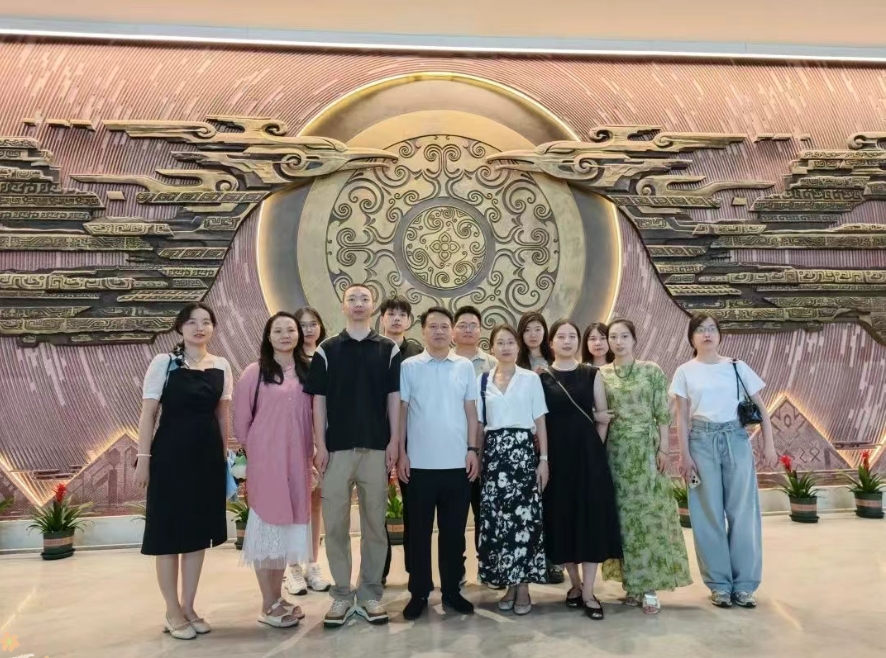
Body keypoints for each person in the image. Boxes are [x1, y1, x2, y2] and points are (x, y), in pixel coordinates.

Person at [135, 302, 231, 640]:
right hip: (169, 458)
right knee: (168, 536)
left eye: (206, 322)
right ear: (180, 328)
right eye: (192, 322)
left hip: (206, 460)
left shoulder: (221, 365)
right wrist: (143, 459)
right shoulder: (164, 363)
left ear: (213, 328)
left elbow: (222, 416)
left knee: (196, 535)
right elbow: (148, 414)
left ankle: (189, 607)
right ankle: (172, 610)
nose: (199, 328)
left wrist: (224, 459)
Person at [307, 283, 401, 628]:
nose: (358, 303)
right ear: (343, 306)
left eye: (364, 299)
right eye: (352, 299)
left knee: (375, 524)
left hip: (376, 449)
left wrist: (394, 441)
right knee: (335, 525)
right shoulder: (327, 350)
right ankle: (342, 595)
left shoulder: (388, 349)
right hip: (337, 450)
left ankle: (370, 592)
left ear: (372, 307)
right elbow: (318, 401)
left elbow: (394, 398)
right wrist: (320, 444)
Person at [671, 313, 778, 609]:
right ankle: (719, 585)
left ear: (719, 335)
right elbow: (681, 417)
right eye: (700, 329)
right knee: (707, 515)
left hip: (736, 439)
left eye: (712, 329)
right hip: (701, 441)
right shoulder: (684, 372)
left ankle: (744, 585)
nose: (707, 334)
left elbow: (761, 409)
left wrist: (768, 445)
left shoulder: (737, 366)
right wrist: (684, 454)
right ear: (691, 337)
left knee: (743, 512)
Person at [599, 319, 691, 615]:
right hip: (615, 454)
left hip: (647, 452)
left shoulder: (651, 370)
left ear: (634, 339)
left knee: (649, 517)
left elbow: (662, 413)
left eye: (624, 336)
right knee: (625, 521)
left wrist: (664, 449)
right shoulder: (601, 374)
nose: (618, 342)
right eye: (613, 337)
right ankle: (633, 585)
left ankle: (649, 586)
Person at [397, 307, 479, 620]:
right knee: (418, 533)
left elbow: (471, 411)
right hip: (418, 465)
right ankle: (419, 592)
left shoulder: (464, 367)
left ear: (452, 331)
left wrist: (472, 449)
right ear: (423, 331)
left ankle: (451, 592)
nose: (440, 331)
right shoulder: (409, 367)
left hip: (457, 464)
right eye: (433, 326)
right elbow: (402, 411)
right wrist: (402, 452)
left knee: (453, 533)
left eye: (445, 326)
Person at [233, 312, 313, 628]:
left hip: (298, 459)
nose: (285, 335)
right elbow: (241, 422)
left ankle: (277, 597)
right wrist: (258, 451)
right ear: (268, 336)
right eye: (277, 330)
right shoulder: (254, 372)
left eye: (290, 329)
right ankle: (267, 604)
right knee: (268, 528)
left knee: (285, 531)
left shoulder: (307, 371)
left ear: (299, 335)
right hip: (267, 460)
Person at [539, 319, 622, 620]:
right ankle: (574, 584)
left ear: (578, 341)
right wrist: (544, 458)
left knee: (590, 521)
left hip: (588, 459)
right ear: (551, 343)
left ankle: (588, 592)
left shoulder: (591, 374)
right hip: (556, 459)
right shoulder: (541, 377)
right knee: (561, 519)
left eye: (572, 336)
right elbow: (539, 420)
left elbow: (602, 415)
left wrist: (594, 449)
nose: (567, 341)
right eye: (561, 336)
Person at [477, 324, 549, 615]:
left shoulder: (530, 379)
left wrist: (544, 459)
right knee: (500, 523)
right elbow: (480, 424)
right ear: (492, 348)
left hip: (522, 454)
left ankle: (523, 588)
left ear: (518, 347)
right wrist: (477, 457)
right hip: (494, 456)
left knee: (524, 522)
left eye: (510, 342)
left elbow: (540, 420)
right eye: (500, 342)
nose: (506, 347)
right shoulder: (483, 380)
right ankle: (508, 584)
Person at [378, 295, 424, 585]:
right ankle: (378, 571)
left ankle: (414, 571)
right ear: (382, 318)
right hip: (378, 436)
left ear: (409, 321)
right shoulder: (372, 348)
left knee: (414, 507)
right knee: (375, 506)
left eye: (402, 315)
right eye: (391, 313)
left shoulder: (417, 352)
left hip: (412, 438)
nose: (396, 319)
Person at [515, 311, 562, 585]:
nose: (533, 335)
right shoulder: (515, 365)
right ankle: (530, 560)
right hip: (525, 442)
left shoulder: (556, 362)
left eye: (538, 329)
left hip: (554, 437)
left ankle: (554, 561)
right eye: (527, 330)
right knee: (529, 504)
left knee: (553, 500)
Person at [285, 307, 330, 596]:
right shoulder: (287, 360)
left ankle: (313, 563)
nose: (309, 329)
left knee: (315, 503)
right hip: (295, 437)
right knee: (293, 504)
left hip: (324, 438)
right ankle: (292, 567)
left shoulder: (328, 356)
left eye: (314, 323)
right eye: (302, 325)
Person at [452, 305, 497, 587]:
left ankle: (488, 567)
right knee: (455, 515)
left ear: (480, 330)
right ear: (453, 331)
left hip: (486, 448)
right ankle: (456, 570)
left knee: (485, 511)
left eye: (473, 325)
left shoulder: (492, 363)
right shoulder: (446, 361)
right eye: (463, 325)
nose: (468, 329)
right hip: (453, 448)